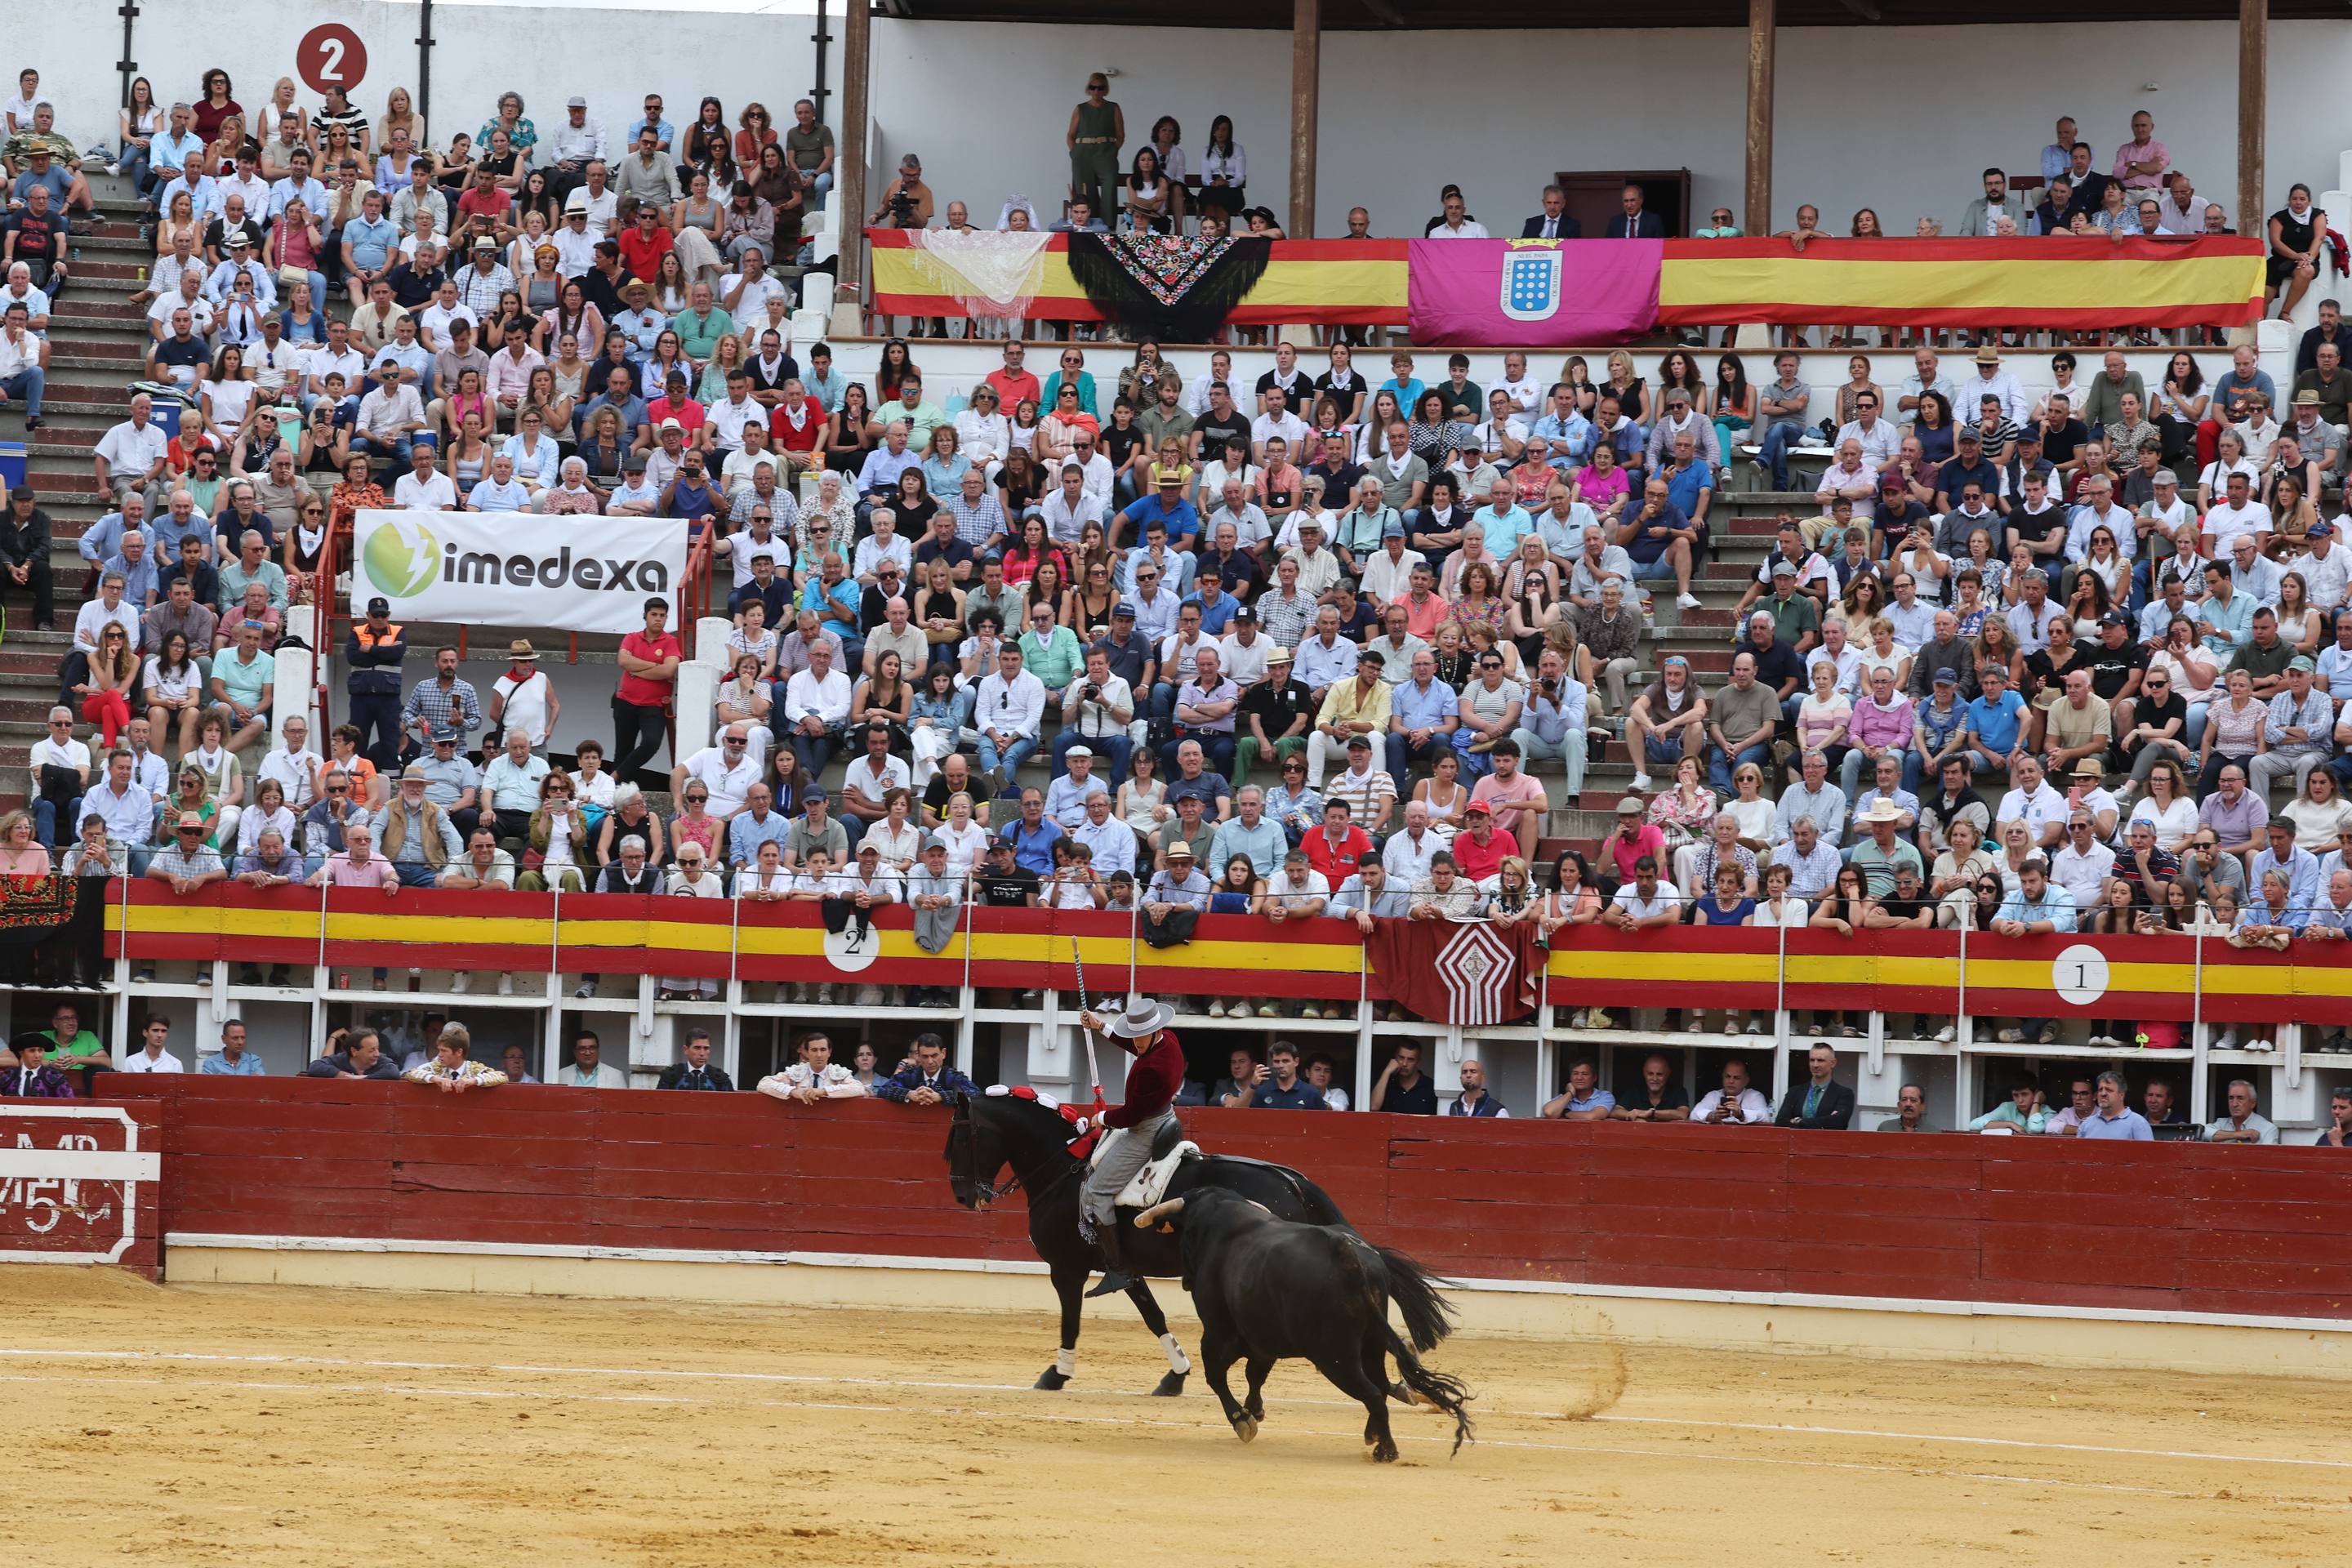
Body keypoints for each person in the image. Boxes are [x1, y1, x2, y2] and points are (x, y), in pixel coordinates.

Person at [1068, 994, 1184, 1296]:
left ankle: (1118, 1269)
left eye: (1140, 1036)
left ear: (1154, 1031)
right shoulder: (1167, 1039)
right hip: (1164, 1116)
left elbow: (1131, 1115)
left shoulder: (1152, 1069)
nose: (1136, 1042)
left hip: (1145, 1129)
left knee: (1096, 1190)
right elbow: (1135, 1045)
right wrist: (1101, 1026)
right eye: (1133, 1035)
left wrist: (1102, 1118)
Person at [403, 1022, 510, 1092]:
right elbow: (410, 1074)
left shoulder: (473, 1070)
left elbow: (502, 1076)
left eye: (444, 1051)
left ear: (459, 1052)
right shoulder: (435, 1068)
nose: (439, 1054)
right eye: (440, 1050)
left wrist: (473, 1081)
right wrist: (436, 1079)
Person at [1774, 1042, 1856, 1128]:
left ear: (1833, 1063)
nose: (1815, 1065)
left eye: (1820, 1060)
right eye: (1812, 1060)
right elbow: (1780, 1122)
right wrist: (1825, 1121)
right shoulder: (1794, 1091)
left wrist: (1798, 1121)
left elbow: (1839, 1122)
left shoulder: (1844, 1094)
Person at [1691, 1059, 1771, 1125]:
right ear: (1722, 1077)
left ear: (1746, 1081)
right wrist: (1712, 1115)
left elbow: (1765, 1117)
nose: (1731, 1081)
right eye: (1728, 1076)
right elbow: (1693, 1114)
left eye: (1736, 1078)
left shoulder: (1754, 1096)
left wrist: (1741, 1114)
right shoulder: (1713, 1095)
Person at [1369, 1040, 1437, 1116]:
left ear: (1418, 1062)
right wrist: (1387, 1072)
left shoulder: (1430, 1087)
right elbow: (1374, 1107)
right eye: (1401, 1058)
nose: (1404, 1064)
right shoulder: (1387, 1083)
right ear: (1395, 1058)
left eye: (1410, 1060)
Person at [656, 1029, 735, 1091]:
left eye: (706, 1048)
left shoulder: (721, 1079)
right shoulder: (670, 1077)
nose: (702, 1053)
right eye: (697, 1048)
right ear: (686, 1050)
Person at [1875, 1083, 1939, 1133]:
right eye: (1904, 1099)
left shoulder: (1933, 1132)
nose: (1908, 1104)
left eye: (1913, 1100)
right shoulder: (1886, 1128)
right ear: (1899, 1106)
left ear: (1922, 1107)